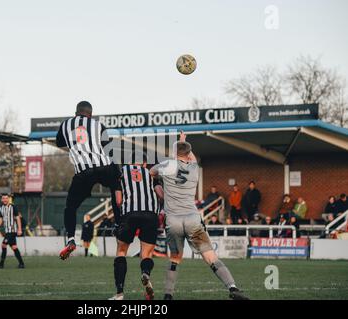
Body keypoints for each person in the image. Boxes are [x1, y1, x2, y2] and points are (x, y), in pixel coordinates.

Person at [150, 131, 248, 300]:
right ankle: (232, 288)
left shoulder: (167, 166)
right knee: (210, 256)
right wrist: (183, 142)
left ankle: (168, 295)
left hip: (173, 220)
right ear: (188, 154)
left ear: (174, 153)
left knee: (175, 258)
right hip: (192, 218)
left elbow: (152, 172)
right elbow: (191, 157)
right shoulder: (195, 168)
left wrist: (161, 190)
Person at [56, 101, 121, 260]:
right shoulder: (98, 125)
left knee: (70, 207)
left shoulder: (66, 125)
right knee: (116, 187)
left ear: (76, 113)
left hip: (83, 171)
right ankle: (118, 224)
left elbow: (59, 143)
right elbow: (109, 149)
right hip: (104, 166)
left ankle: (71, 239)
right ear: (91, 114)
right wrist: (117, 174)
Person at [109, 154, 163, 300]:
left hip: (130, 214)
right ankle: (145, 272)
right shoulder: (151, 173)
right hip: (150, 215)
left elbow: (119, 201)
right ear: (144, 164)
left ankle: (119, 293)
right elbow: (161, 194)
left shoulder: (121, 173)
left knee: (121, 251)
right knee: (146, 254)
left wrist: (118, 220)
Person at [0, 194, 25, 269]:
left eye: (6, 198)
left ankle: (1, 264)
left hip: (12, 231)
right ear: (1, 199)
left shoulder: (13, 207)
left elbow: (18, 218)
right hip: (7, 231)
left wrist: (19, 229)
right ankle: (21, 263)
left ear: (8, 199)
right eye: (3, 198)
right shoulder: (1, 208)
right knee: (14, 247)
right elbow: (1, 218)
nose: (5, 200)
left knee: (3, 245)